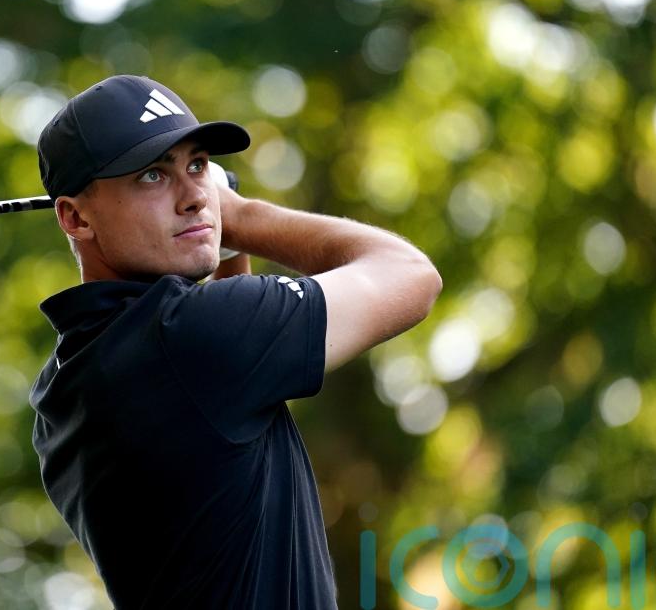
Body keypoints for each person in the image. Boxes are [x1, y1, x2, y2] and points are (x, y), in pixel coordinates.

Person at [28, 74, 443, 609]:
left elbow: (231, 404)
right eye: (153, 175)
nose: (195, 198)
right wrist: (240, 217)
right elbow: (410, 275)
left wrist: (217, 242)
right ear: (75, 216)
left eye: (197, 165)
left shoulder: (66, 383)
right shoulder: (189, 338)